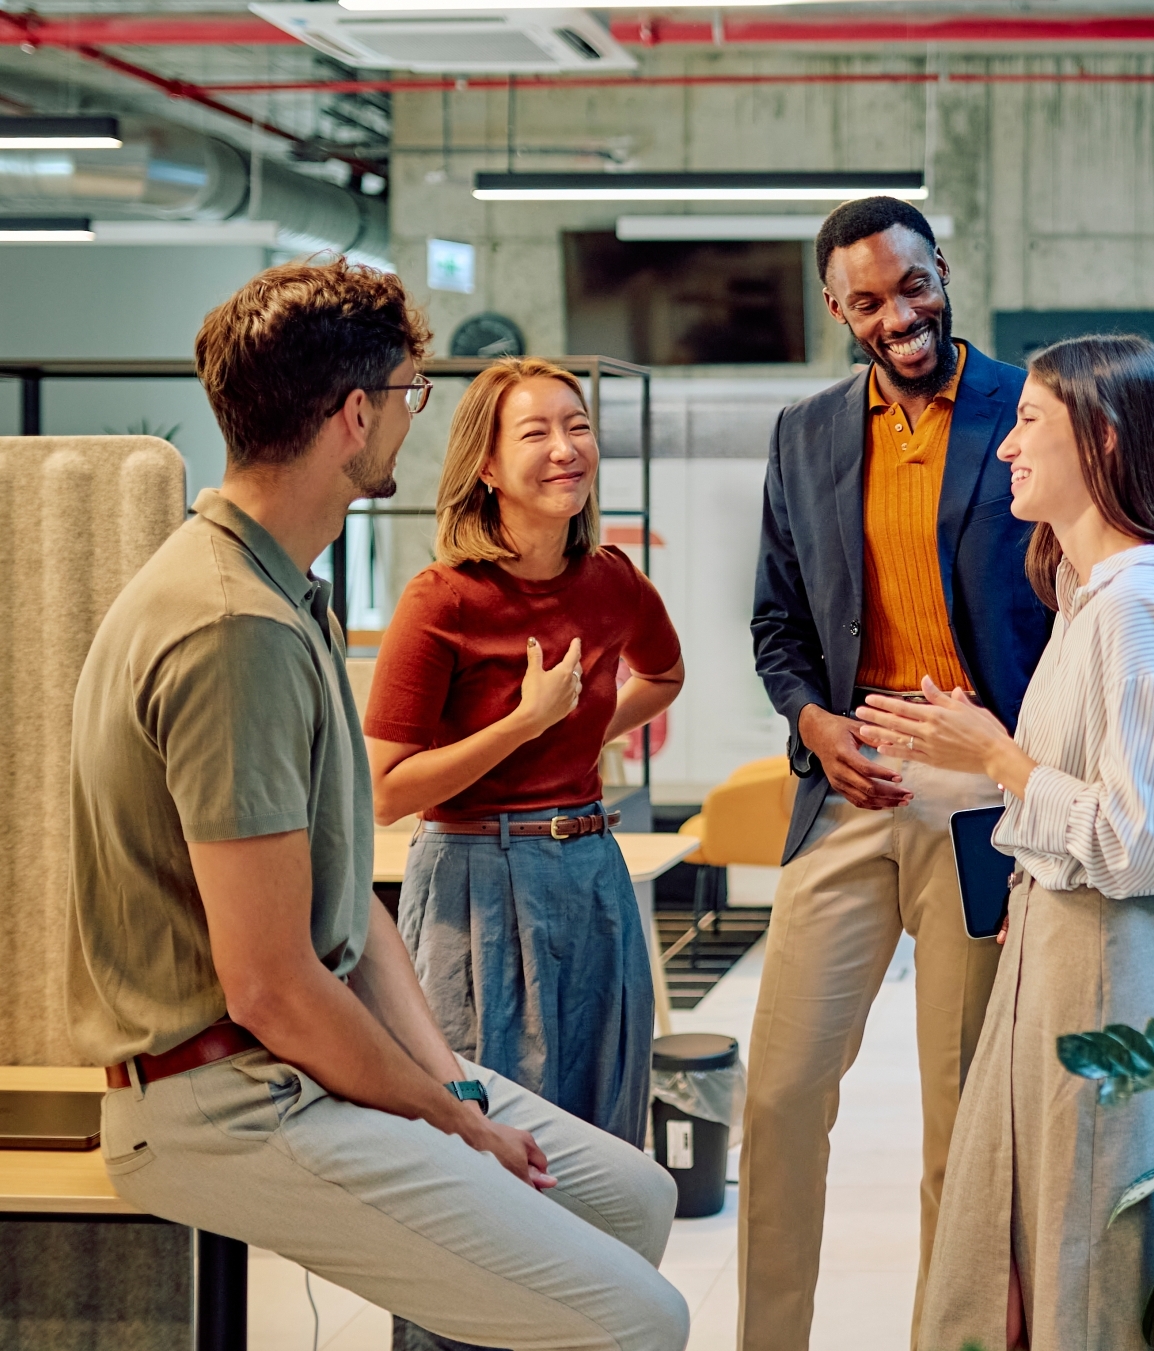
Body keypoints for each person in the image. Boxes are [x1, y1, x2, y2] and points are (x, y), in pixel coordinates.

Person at [65, 259, 688, 1351]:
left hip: (285, 1059)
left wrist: (452, 1086)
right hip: (229, 1098)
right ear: (355, 416)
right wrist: (448, 1119)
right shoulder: (234, 628)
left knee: (633, 1198)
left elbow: (346, 906)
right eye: (410, 393)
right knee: (642, 1318)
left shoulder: (279, 590)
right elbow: (273, 985)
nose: (414, 417)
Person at [857, 334, 1154, 1351]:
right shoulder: (1088, 594)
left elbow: (1141, 842)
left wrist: (999, 759)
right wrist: (977, 755)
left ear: (1100, 440)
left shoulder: (1135, 605)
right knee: (1028, 1246)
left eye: (1027, 423)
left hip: (1102, 964)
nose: (1006, 448)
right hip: (1057, 948)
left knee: (1081, 1270)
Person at [742, 196, 1054, 1351]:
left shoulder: (1030, 408)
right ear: (839, 311)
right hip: (850, 786)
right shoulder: (807, 434)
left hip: (978, 798)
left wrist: (1022, 764)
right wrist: (814, 722)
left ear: (943, 271)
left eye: (913, 285)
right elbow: (777, 625)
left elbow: (1071, 602)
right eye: (869, 300)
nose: (899, 315)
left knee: (958, 1120)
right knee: (780, 1097)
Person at [364, 356, 684, 1169]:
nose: (565, 447)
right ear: (486, 465)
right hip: (474, 881)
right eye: (535, 432)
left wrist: (576, 729)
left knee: (605, 1131)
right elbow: (384, 792)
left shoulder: (613, 580)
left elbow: (664, 675)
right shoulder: (440, 598)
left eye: (577, 426)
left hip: (591, 872)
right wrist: (525, 724)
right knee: (489, 1143)